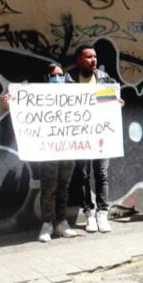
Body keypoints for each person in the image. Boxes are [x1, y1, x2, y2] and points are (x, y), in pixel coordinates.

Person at [66, 45, 119, 233]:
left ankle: (103, 213)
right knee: (82, 174)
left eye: (95, 56)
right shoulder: (68, 80)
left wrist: (118, 102)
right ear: (79, 60)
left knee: (102, 173)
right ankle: (89, 214)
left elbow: (115, 98)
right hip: (80, 135)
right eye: (88, 57)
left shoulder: (104, 79)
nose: (93, 60)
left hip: (102, 134)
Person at [38, 64, 81, 242]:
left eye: (60, 75)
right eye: (53, 75)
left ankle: (61, 222)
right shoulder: (37, 95)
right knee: (49, 187)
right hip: (48, 149)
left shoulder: (73, 95)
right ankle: (47, 223)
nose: (57, 78)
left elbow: (94, 105)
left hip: (68, 148)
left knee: (63, 186)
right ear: (46, 77)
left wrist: (111, 102)